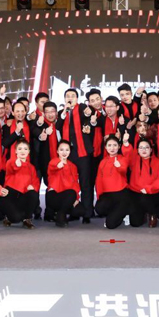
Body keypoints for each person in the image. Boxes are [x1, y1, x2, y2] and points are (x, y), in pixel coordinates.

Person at [59, 88, 95, 223]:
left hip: (82, 151)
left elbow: (88, 116)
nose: (70, 98)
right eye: (67, 96)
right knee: (70, 184)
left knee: (85, 183)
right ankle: (74, 211)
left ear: (77, 98)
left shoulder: (82, 108)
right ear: (64, 99)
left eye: (73, 96)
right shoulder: (62, 113)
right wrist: (64, 112)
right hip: (67, 153)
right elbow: (57, 126)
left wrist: (88, 114)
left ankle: (87, 213)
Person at [0, 139, 39, 229]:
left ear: (29, 151)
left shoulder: (31, 167)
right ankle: (9, 217)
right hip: (10, 196)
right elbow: (11, 167)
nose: (22, 151)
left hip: (22, 197)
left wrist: (33, 187)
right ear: (16, 151)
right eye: (20, 149)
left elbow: (36, 181)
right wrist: (17, 165)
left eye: (25, 149)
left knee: (33, 194)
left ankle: (27, 219)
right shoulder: (11, 162)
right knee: (16, 218)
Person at [95, 134, 133, 229]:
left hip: (121, 194)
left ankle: (124, 212)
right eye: (109, 145)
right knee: (99, 208)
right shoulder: (103, 162)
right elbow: (99, 180)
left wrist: (118, 166)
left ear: (119, 146)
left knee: (110, 225)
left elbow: (124, 169)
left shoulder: (122, 158)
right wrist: (99, 196)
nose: (112, 148)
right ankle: (117, 213)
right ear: (105, 147)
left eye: (115, 145)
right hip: (108, 195)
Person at [127, 138, 159, 228]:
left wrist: (148, 189)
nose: (144, 150)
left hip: (151, 193)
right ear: (137, 150)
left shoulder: (158, 162)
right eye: (141, 148)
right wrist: (125, 143)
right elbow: (127, 153)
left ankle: (153, 214)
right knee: (135, 223)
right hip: (135, 192)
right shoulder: (134, 160)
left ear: (151, 149)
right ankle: (143, 213)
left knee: (145, 198)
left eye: (146, 147)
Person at [46, 140, 83, 227]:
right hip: (54, 195)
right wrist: (58, 166)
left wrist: (76, 198)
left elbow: (75, 183)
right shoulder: (53, 162)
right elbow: (52, 168)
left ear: (70, 152)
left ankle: (61, 212)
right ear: (57, 151)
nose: (64, 152)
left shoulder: (73, 166)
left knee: (81, 210)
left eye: (67, 150)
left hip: (68, 196)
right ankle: (60, 215)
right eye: (61, 150)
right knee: (71, 193)